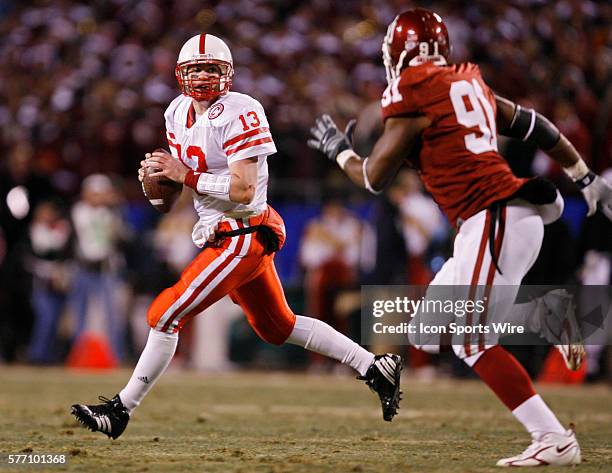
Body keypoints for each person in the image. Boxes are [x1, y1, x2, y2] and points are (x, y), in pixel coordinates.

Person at [308, 8, 612, 467]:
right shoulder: (468, 82)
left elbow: (372, 177)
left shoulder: (414, 91)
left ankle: (552, 436)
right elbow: (538, 126)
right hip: (500, 221)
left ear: (398, 53)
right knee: (426, 332)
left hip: (494, 217)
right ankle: (551, 317)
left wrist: (340, 152)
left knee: (471, 340)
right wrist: (584, 176)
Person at [71, 33, 402, 440]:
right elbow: (174, 198)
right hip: (223, 233)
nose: (203, 75)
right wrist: (156, 185)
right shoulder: (176, 112)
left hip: (242, 232)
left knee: (164, 313)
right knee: (277, 327)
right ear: (180, 74)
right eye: (196, 68)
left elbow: (243, 188)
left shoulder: (241, 110)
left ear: (227, 74)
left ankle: (120, 410)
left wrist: (184, 174)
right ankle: (374, 367)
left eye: (212, 68)